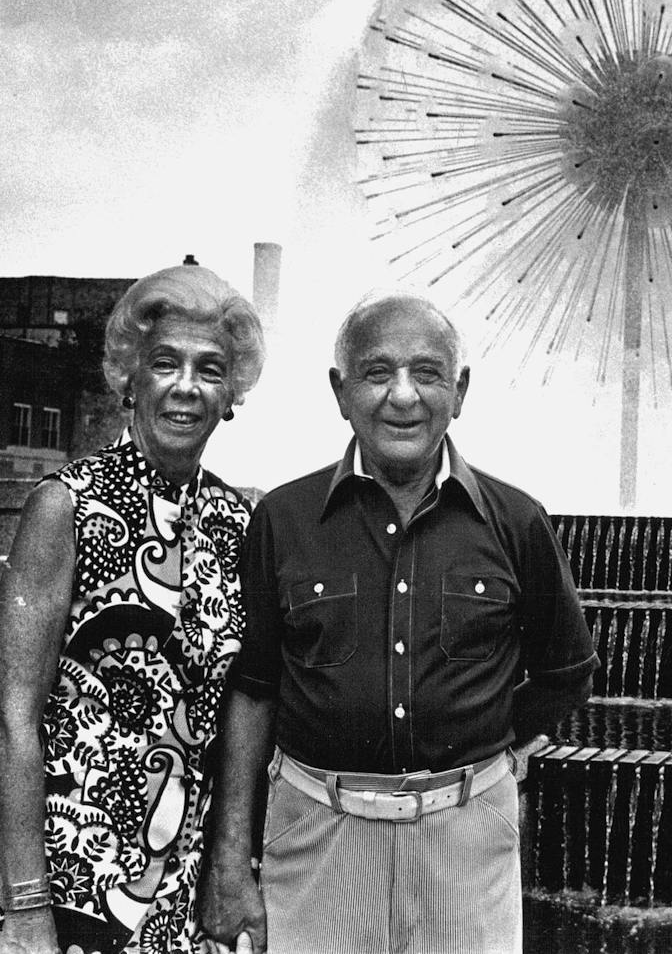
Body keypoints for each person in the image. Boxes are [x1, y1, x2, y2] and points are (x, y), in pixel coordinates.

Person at [200, 292, 598, 954]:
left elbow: (566, 671)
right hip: (315, 837)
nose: (403, 396)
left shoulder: (518, 521)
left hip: (467, 837)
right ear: (340, 389)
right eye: (378, 373)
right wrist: (229, 861)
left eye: (428, 373)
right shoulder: (284, 519)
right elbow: (254, 690)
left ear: (461, 389)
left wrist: (487, 734)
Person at [0, 266, 265, 954]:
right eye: (164, 363)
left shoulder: (239, 527)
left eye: (209, 369)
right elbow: (12, 717)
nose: (186, 386)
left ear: (231, 395)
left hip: (182, 893)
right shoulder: (66, 507)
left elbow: (242, 706)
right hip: (68, 888)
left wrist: (231, 868)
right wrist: (25, 908)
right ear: (128, 378)